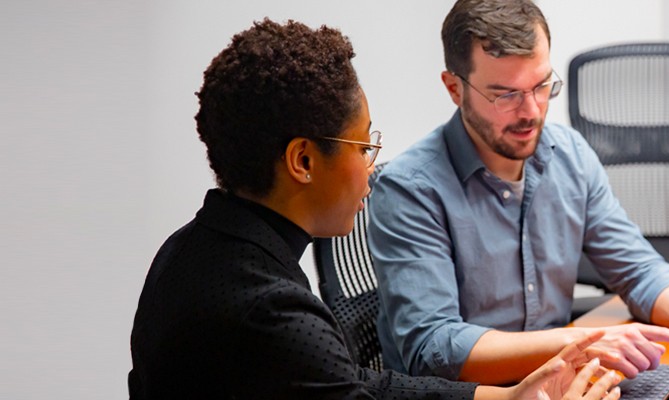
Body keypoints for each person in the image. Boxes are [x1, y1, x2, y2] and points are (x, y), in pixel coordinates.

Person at [128, 18, 622, 400]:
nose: (371, 166)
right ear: (302, 160)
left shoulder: (195, 248)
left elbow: (357, 384)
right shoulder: (270, 309)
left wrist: (507, 395)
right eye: (363, 146)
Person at [368, 0, 669, 386]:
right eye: (506, 94)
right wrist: (577, 343)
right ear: (454, 89)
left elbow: (640, 271)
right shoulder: (410, 189)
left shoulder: (568, 155)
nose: (531, 110)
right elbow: (434, 348)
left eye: (542, 85)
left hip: (561, 383)